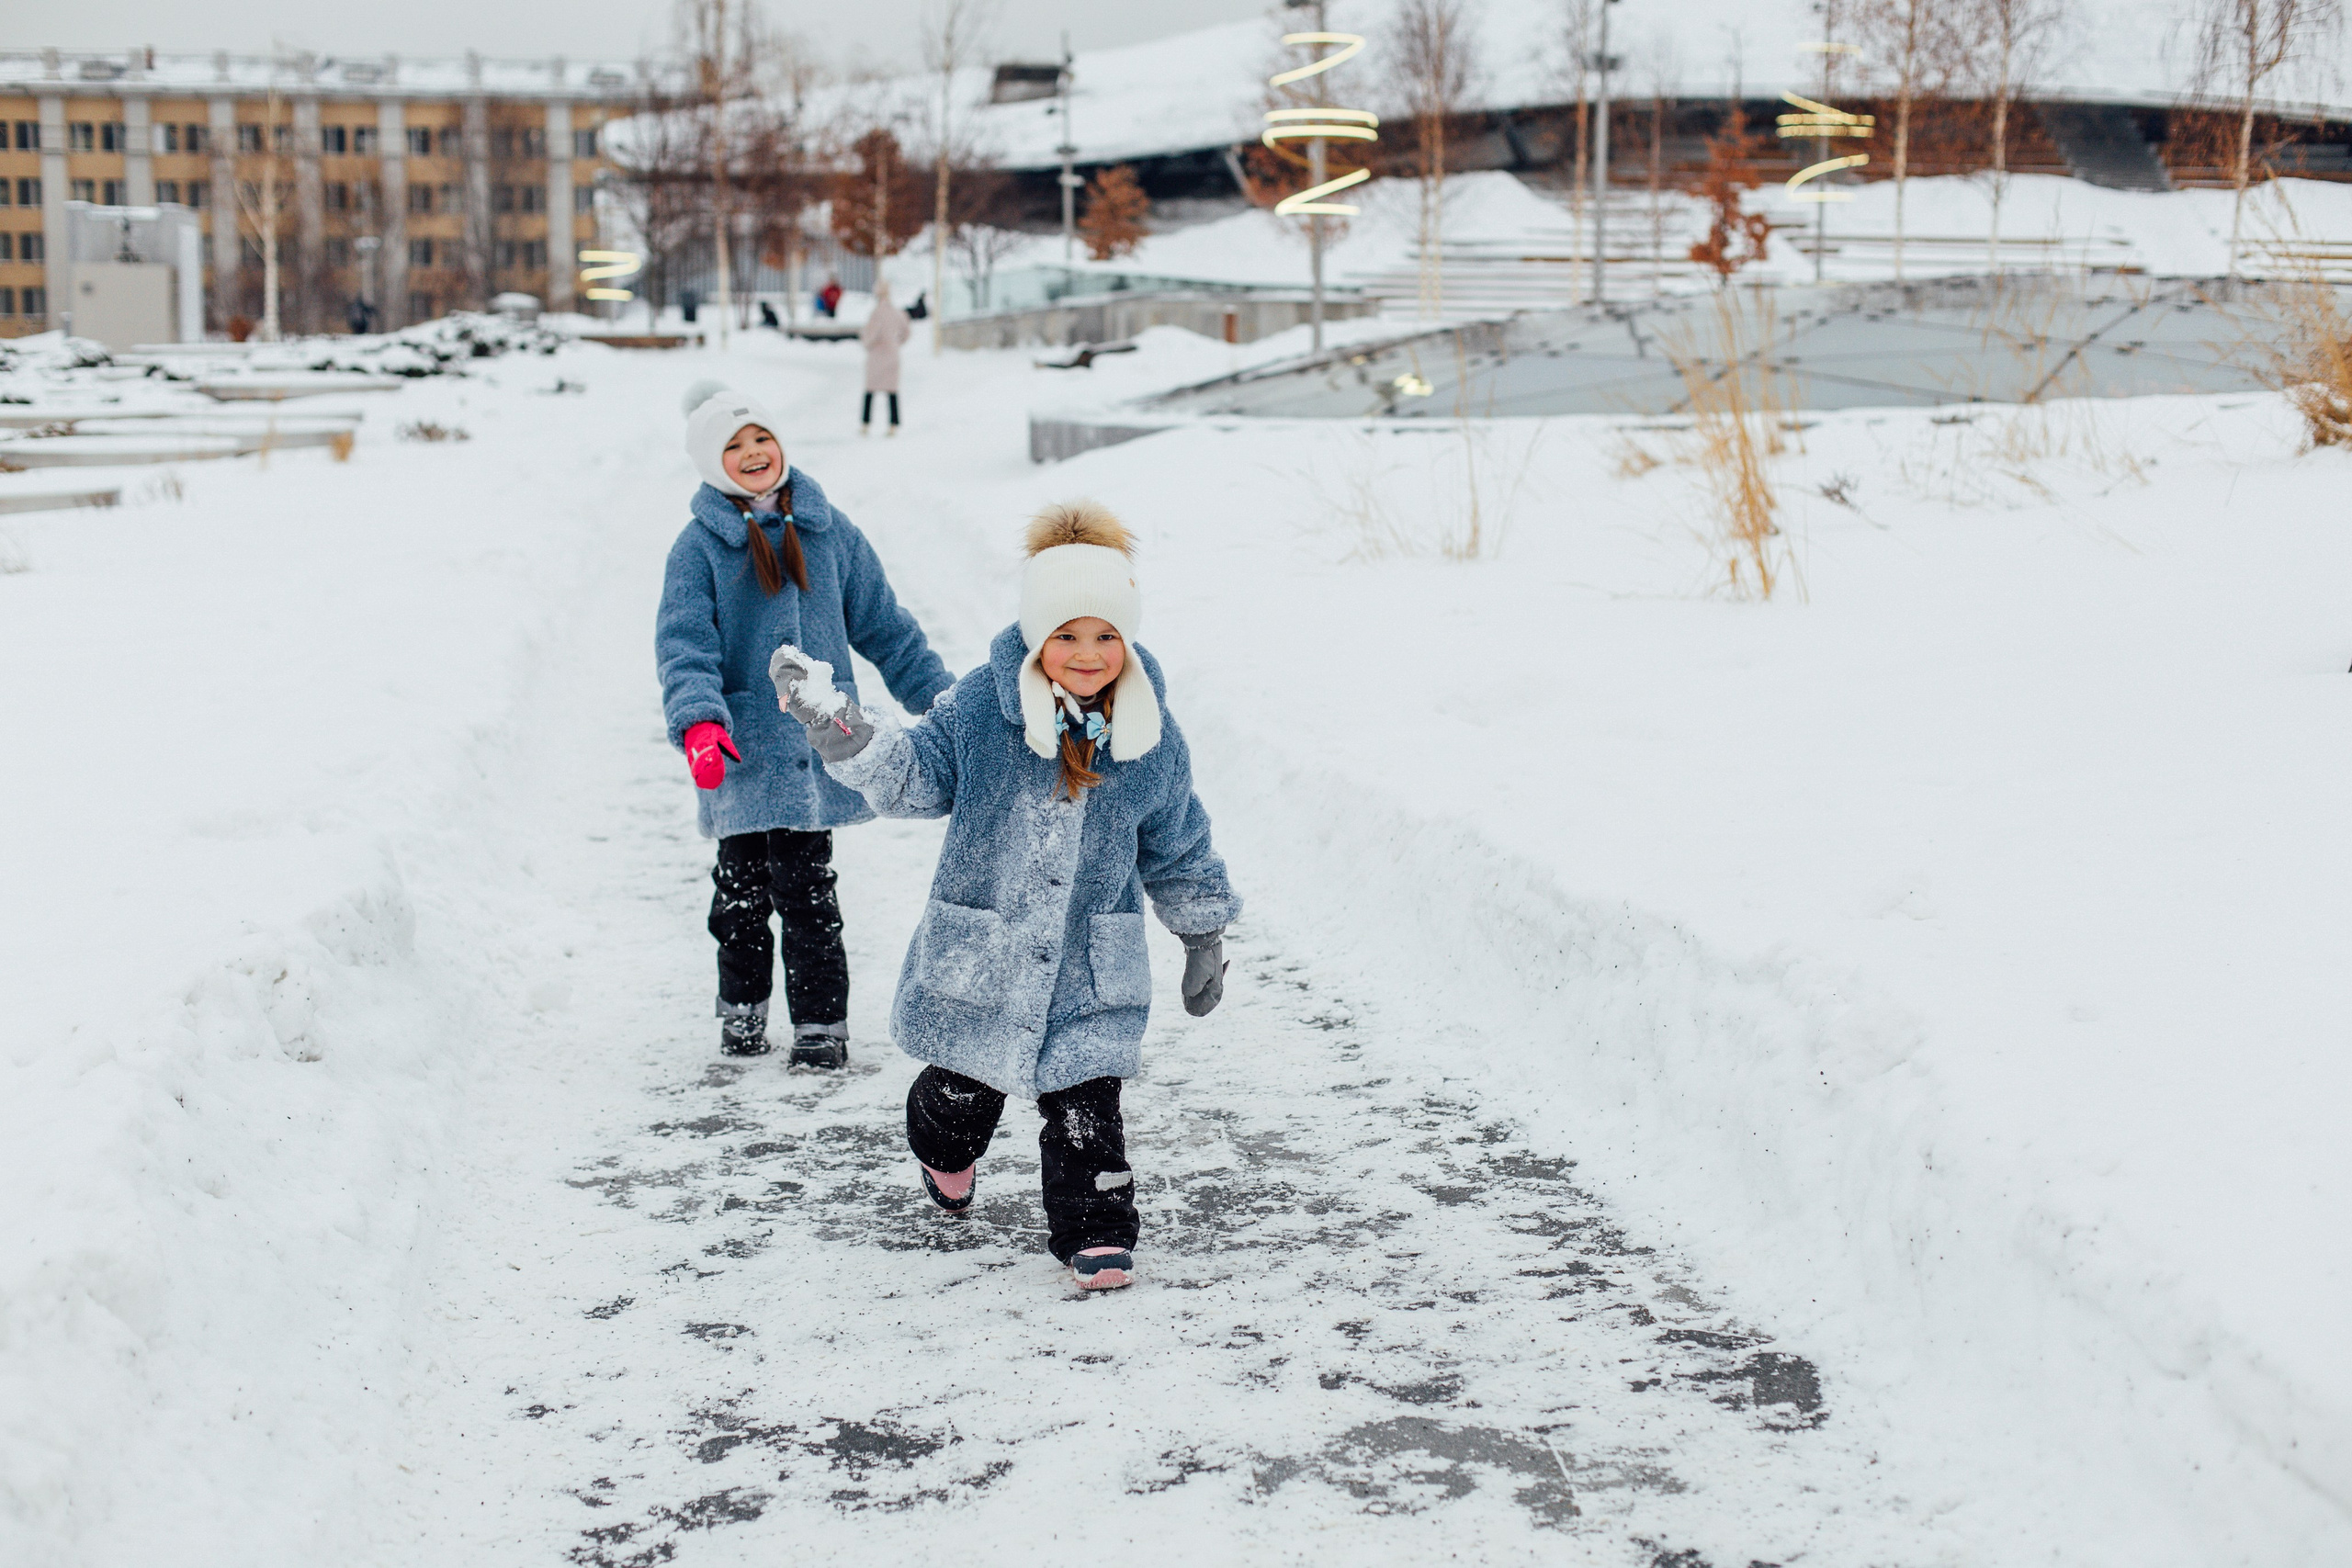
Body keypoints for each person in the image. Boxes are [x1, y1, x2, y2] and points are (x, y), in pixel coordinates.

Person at [770, 502, 1238, 1291]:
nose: (1087, 654)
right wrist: (853, 738)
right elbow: (916, 775)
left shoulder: (1152, 736)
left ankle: (1095, 1229)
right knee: (956, 1106)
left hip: (1091, 972)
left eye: (1105, 635)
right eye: (1066, 635)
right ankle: (942, 1152)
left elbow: (1179, 840)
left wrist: (1202, 932)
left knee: (1088, 1108)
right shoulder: (979, 712)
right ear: (1034, 636)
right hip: (982, 961)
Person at [656, 380, 952, 1066]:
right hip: (741, 751)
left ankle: (821, 1023)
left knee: (810, 890)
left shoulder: (827, 530)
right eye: (734, 445)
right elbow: (684, 644)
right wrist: (699, 721)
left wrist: (942, 701)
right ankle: (743, 1013)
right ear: (710, 462)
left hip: (819, 749)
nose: (754, 452)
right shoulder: (697, 548)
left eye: (762, 437)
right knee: (740, 893)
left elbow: (885, 627)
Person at [859, 279, 910, 436]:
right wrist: (896, 342)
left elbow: (871, 335)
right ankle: (893, 424)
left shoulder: (876, 313)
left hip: (877, 356)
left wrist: (866, 343)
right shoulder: (896, 312)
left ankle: (865, 423)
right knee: (892, 391)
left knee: (870, 390)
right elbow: (906, 331)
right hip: (893, 355)